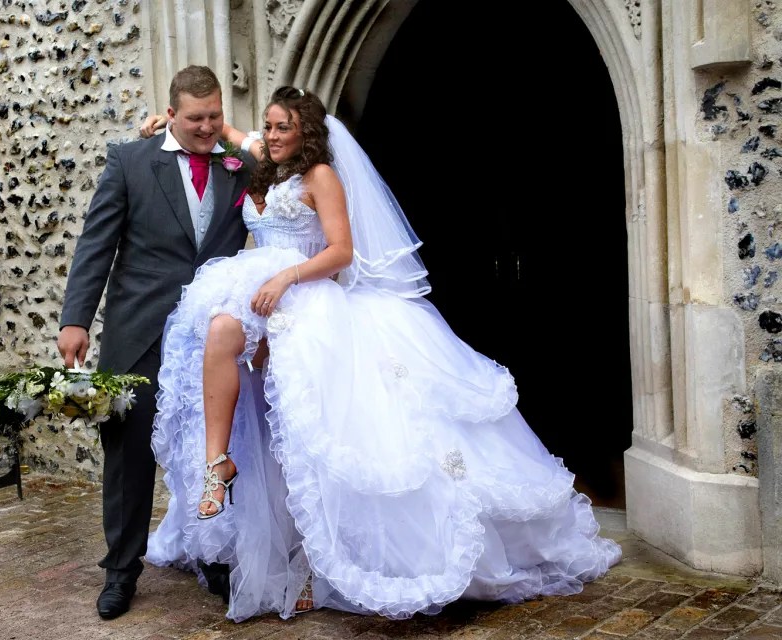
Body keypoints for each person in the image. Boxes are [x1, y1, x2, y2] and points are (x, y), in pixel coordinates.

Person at [138, 87, 622, 622]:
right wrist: (168, 122)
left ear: (306, 133)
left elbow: (341, 251)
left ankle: (314, 562)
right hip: (259, 293)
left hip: (306, 295)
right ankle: (217, 463)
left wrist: (287, 276)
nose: (270, 136)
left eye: (281, 128)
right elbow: (224, 133)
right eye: (268, 126)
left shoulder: (319, 175)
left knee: (305, 436)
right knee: (221, 336)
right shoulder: (266, 162)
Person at [57, 65, 255, 620]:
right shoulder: (129, 161)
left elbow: (290, 168)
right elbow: (96, 245)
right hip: (138, 331)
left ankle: (214, 558)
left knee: (210, 449)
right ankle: (120, 572)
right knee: (128, 455)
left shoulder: (241, 167)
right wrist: (77, 319)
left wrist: (237, 138)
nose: (207, 127)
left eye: (215, 116)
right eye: (196, 118)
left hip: (208, 339)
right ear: (170, 114)